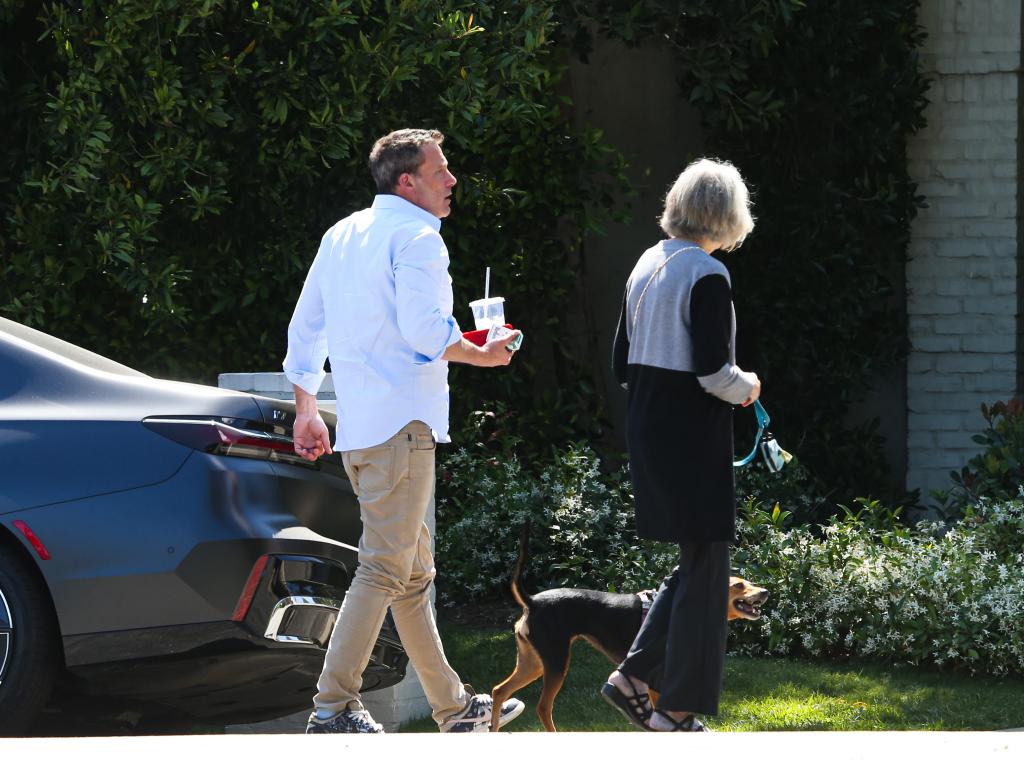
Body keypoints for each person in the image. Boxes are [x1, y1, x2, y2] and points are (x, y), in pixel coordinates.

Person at [283, 128, 524, 734]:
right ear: (406, 181)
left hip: (362, 431)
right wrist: (483, 354)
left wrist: (307, 407)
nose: (451, 180)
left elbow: (305, 327)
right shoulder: (419, 237)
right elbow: (427, 332)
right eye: (440, 171)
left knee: (413, 576)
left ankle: (453, 709)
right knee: (386, 571)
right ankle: (332, 707)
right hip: (403, 430)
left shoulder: (342, 234)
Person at [602, 157, 760, 732]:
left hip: (647, 423)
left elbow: (621, 364)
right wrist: (750, 388)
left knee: (698, 562)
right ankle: (674, 709)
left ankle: (633, 675)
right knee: (709, 567)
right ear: (727, 216)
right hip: (691, 436)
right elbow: (715, 374)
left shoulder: (647, 263)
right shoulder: (708, 274)